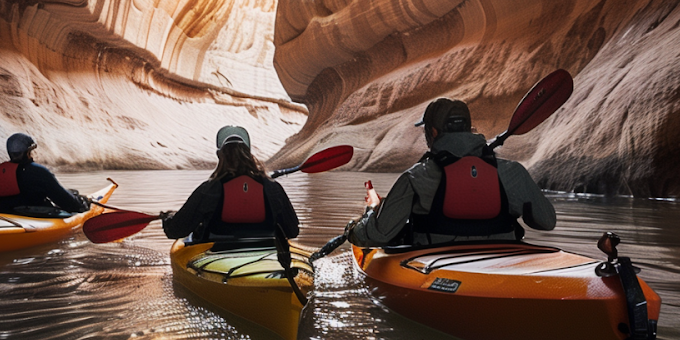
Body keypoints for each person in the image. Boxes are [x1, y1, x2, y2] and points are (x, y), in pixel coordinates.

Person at [348, 98, 554, 247]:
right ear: (468, 128)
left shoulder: (416, 177)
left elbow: (377, 235)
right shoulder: (512, 172)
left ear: (434, 132)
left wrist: (359, 223)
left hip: (434, 267)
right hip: (500, 265)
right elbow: (546, 221)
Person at [162, 126, 300, 246]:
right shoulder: (273, 188)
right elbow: (292, 231)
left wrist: (168, 219)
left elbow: (176, 231)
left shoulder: (209, 190)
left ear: (220, 157)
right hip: (266, 250)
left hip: (216, 252)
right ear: (250, 155)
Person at [0, 133, 88, 217]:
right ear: (28, 152)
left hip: (6, 213)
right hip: (37, 216)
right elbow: (65, 201)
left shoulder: (0, 171)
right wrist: (81, 204)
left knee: (71, 192)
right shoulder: (39, 171)